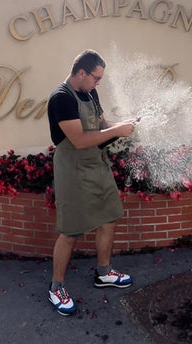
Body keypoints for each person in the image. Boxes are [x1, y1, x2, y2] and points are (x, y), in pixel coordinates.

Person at [47, 49, 136, 316]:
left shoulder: (90, 93)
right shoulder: (61, 98)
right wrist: (117, 130)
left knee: (109, 217)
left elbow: (101, 127)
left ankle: (104, 272)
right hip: (73, 171)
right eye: (96, 78)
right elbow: (80, 140)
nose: (99, 83)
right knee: (71, 231)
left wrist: (124, 127)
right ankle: (56, 288)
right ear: (81, 72)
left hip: (97, 165)